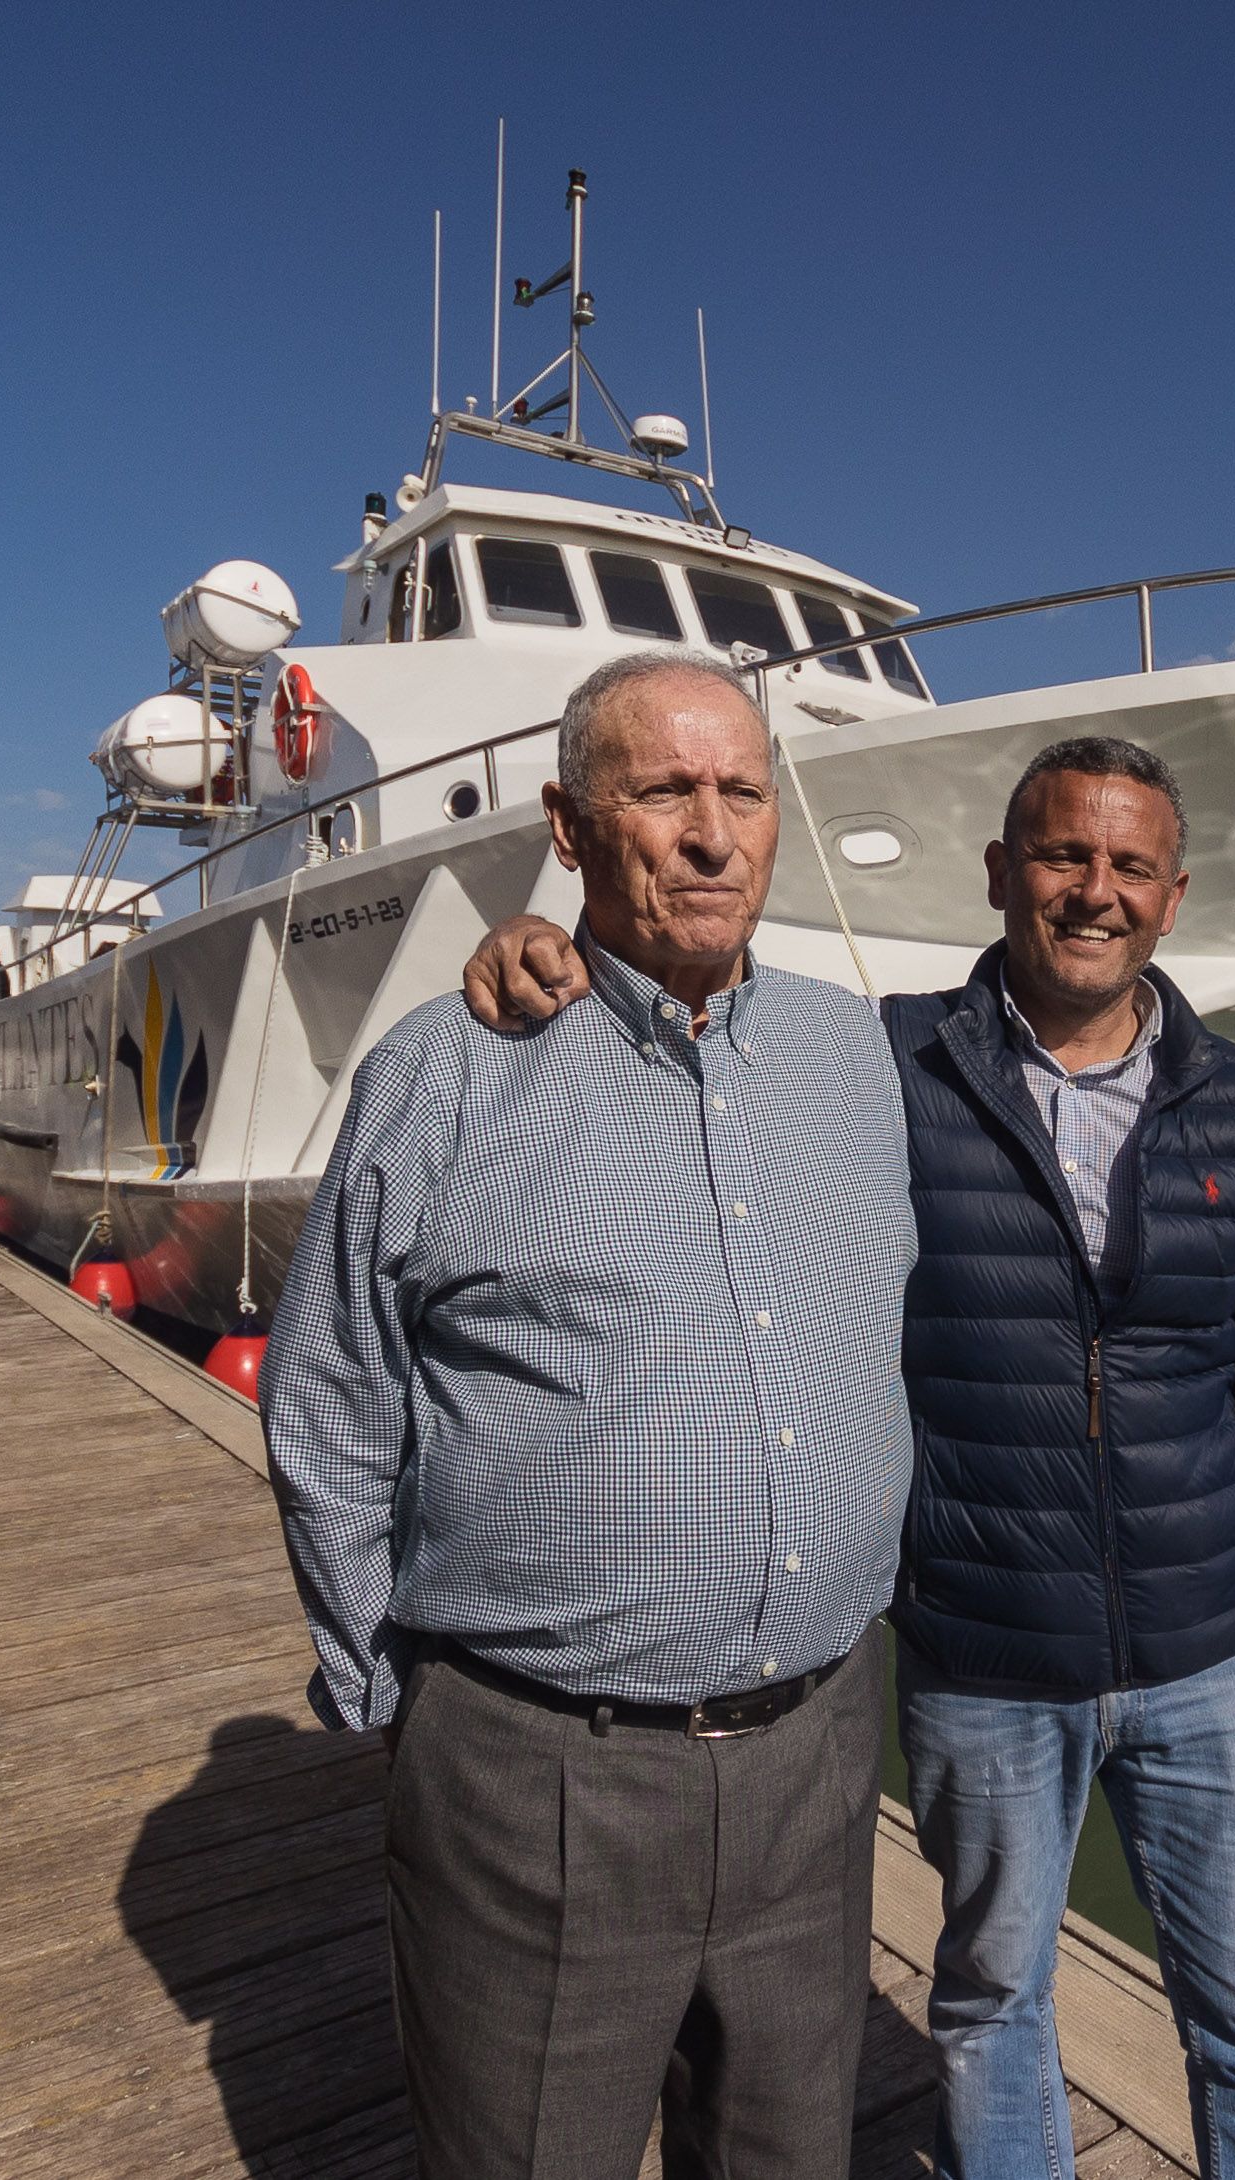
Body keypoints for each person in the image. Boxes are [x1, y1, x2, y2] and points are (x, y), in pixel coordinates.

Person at [464, 735, 1235, 2180]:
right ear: (1000, 873)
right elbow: (689, 1034)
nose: (1093, 891)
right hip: (980, 1658)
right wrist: (547, 951)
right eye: (1060, 855)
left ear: (1173, 896)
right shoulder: (871, 1063)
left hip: (1214, 1657)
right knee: (988, 2004)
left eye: (1129, 867)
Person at [267, 650, 917, 2180]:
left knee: (785, 2157)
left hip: (817, 1762)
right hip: (540, 1778)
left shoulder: (853, 1056)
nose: (711, 833)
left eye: (742, 790)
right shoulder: (445, 1070)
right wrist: (388, 1698)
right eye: (663, 791)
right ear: (568, 825)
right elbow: (330, 1398)